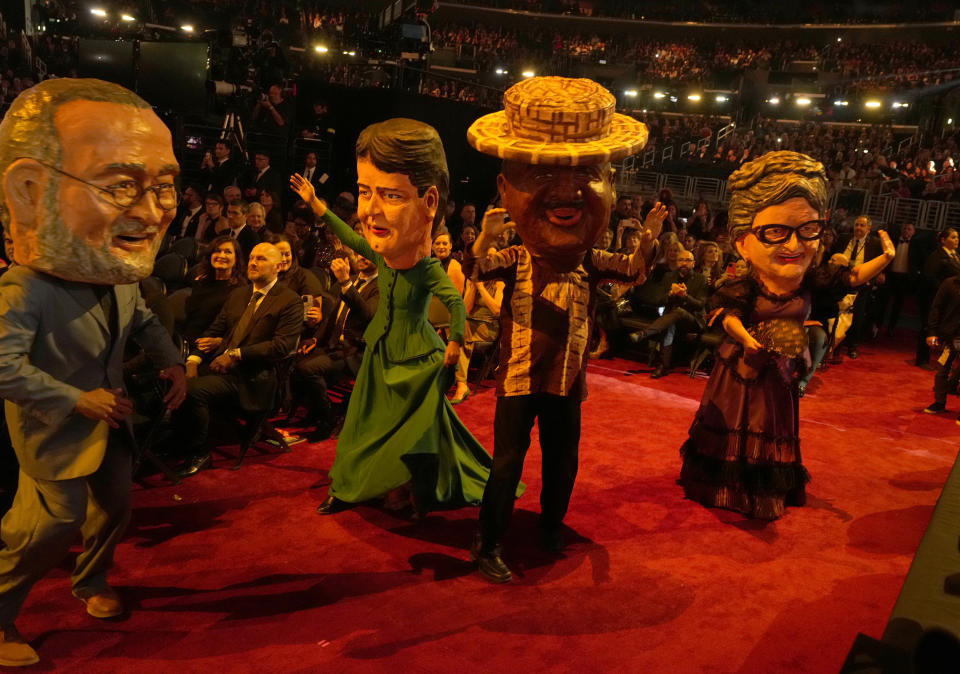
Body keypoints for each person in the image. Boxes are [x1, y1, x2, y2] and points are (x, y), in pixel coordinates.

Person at [0, 78, 186, 667]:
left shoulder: (116, 274)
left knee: (117, 506)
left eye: (165, 188)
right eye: (123, 187)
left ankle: (91, 579)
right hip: (54, 429)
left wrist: (173, 361)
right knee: (46, 527)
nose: (153, 213)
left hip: (113, 424)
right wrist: (75, 400)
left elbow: (145, 320)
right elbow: (2, 365)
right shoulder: (24, 288)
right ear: (30, 191)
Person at [463, 76, 663, 582]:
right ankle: (488, 542)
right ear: (505, 189)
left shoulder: (589, 260)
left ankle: (551, 526)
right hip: (517, 378)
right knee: (506, 465)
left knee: (562, 462)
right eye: (540, 172)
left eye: (589, 173)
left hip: (567, 381)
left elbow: (632, 270)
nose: (568, 190)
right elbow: (478, 268)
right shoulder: (515, 257)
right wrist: (484, 241)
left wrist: (648, 243)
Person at [290, 117, 508, 518]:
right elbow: (354, 236)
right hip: (379, 354)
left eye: (390, 195)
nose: (371, 210)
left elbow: (457, 304)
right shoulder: (383, 254)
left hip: (417, 362)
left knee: (411, 434)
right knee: (360, 424)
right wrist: (318, 205)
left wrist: (456, 343)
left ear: (428, 204)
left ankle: (407, 494)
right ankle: (350, 486)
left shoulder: (427, 269)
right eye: (363, 191)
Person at [678, 151, 895, 521]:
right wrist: (747, 341)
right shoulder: (743, 285)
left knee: (772, 430)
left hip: (782, 373)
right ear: (743, 241)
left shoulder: (810, 280)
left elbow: (851, 278)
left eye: (807, 230)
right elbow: (729, 317)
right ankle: (729, 487)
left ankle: (768, 488)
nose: (794, 246)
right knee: (739, 428)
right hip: (743, 372)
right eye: (776, 232)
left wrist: (886, 256)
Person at [178, 242, 303, 476]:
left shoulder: (289, 300)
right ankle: (178, 440)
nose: (254, 262)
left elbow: (281, 346)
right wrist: (193, 360)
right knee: (173, 378)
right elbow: (215, 329)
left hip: (254, 377)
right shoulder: (239, 294)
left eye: (262, 259)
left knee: (194, 391)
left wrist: (236, 354)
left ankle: (201, 452)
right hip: (221, 366)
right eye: (253, 257)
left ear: (278, 267)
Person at [180, 236, 247, 344]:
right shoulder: (201, 281)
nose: (221, 256)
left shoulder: (239, 289)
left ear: (236, 259)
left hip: (208, 345)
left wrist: (220, 342)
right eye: (217, 251)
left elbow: (235, 327)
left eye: (228, 252)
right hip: (186, 338)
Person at [923, 275, 960, 422]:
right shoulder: (950, 283)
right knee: (942, 369)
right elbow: (936, 308)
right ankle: (939, 402)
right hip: (950, 335)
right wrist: (932, 332)